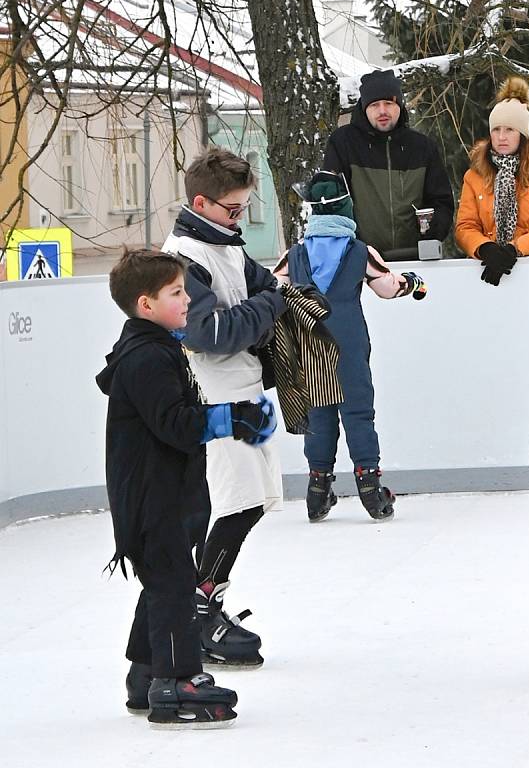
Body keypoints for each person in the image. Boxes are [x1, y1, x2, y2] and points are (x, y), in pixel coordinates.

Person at [97, 249, 278, 728]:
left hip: (167, 494)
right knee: (174, 585)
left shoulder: (157, 347)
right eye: (176, 293)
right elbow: (175, 424)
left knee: (163, 581)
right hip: (152, 498)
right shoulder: (148, 358)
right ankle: (175, 682)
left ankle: (146, 674)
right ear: (146, 304)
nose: (186, 300)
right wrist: (232, 417)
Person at [160, 147, 287, 668]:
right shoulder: (186, 257)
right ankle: (199, 605)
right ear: (201, 203)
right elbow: (210, 333)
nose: (241, 219)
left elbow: (265, 284)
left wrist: (280, 292)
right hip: (214, 394)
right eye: (233, 209)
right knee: (237, 500)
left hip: (245, 387)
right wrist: (271, 303)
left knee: (255, 499)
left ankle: (205, 597)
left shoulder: (226, 242)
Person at [273, 171, 427, 522]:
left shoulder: (295, 255)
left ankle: (317, 489)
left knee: (319, 414)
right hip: (350, 344)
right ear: (346, 207)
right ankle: (371, 488)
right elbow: (388, 287)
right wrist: (412, 283)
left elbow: (271, 289)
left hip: (308, 343)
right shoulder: (360, 251)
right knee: (357, 412)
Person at [322, 68, 454, 261]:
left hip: (416, 260)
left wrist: (435, 231)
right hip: (362, 262)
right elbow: (331, 202)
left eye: (388, 103)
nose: (382, 110)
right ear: (364, 107)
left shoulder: (422, 147)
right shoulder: (343, 143)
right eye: (375, 104)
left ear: (399, 105)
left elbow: (441, 201)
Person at [455, 76, 529, 285]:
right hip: (486, 272)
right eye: (496, 130)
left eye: (509, 130)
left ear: (522, 134)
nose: (501, 137)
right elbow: (465, 226)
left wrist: (516, 247)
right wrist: (484, 247)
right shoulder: (474, 176)